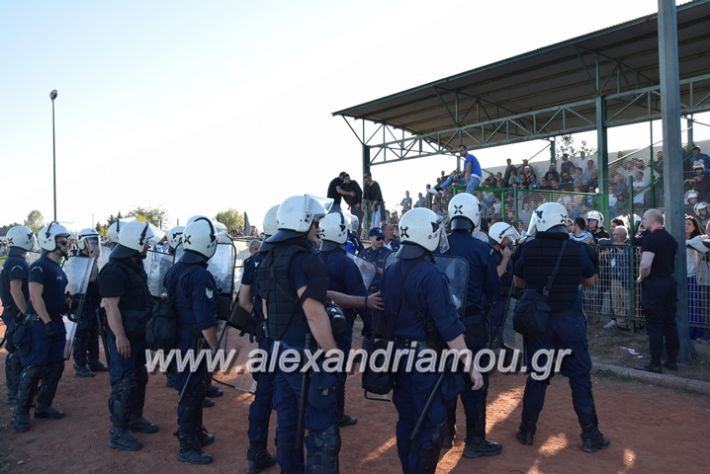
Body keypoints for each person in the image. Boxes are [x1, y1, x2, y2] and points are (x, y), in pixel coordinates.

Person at [380, 207, 484, 473]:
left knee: (407, 422)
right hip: (425, 363)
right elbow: (449, 328)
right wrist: (471, 366)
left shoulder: (391, 269)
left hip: (396, 359)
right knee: (430, 425)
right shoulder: (432, 274)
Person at [253, 194, 340, 473]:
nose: (318, 228)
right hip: (306, 355)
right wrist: (333, 353)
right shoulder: (304, 260)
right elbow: (315, 313)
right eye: (315, 221)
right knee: (321, 430)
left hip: (280, 352)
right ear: (303, 222)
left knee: (288, 424)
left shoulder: (268, 256)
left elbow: (266, 309)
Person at [513, 202, 609, 453]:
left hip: (539, 324)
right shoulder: (577, 249)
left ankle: (526, 431)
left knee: (537, 377)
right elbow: (590, 281)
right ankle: (590, 435)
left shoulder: (528, 248)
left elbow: (519, 283)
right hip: (570, 322)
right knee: (579, 379)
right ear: (563, 221)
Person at [443, 194, 501, 458]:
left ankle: (444, 435)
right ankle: (475, 440)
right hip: (473, 326)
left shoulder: (437, 246)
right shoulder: (483, 249)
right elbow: (493, 289)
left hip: (443, 327)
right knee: (475, 384)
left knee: (444, 381)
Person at [99, 221, 159, 451]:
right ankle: (118, 432)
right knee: (124, 383)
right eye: (146, 242)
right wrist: (120, 337)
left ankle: (134, 418)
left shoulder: (134, 265)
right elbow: (111, 307)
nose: (149, 246)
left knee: (139, 378)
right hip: (123, 337)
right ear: (137, 243)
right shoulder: (114, 270)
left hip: (138, 334)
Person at [164, 217, 220, 464]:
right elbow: (205, 320)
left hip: (176, 337)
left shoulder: (175, 268)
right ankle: (187, 445)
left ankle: (196, 432)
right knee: (190, 393)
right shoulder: (199, 275)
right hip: (192, 342)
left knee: (194, 391)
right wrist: (216, 350)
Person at [11, 222, 71, 432]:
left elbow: (56, 296)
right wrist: (47, 323)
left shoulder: (57, 268)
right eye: (62, 241)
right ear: (49, 241)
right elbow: (35, 298)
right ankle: (20, 412)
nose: (66, 244)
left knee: (56, 365)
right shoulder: (39, 266)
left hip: (54, 322)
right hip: (39, 325)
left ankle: (44, 405)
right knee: (34, 368)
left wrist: (69, 301)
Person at [318, 211, 370, 428]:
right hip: (341, 325)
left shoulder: (312, 257)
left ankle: (318, 407)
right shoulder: (346, 263)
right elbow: (362, 298)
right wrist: (371, 325)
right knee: (337, 368)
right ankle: (336, 413)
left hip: (315, 324)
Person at [238, 205, 279, 473]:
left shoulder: (254, 260)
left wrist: (259, 321)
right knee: (290, 397)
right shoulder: (294, 259)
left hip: (265, 337)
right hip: (290, 341)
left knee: (262, 395)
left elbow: (242, 300)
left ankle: (256, 453)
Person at [637, 209, 679, 373]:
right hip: (669, 284)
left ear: (653, 220)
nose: (643, 221)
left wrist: (641, 277)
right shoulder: (671, 239)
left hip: (654, 286)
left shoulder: (651, 239)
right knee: (670, 324)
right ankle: (672, 361)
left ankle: (655, 363)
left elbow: (646, 264)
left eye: (645, 218)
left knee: (654, 325)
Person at [1, 226, 36, 406]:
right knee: (17, 352)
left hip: (13, 313)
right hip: (17, 315)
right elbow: (16, 291)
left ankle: (18, 390)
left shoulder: (14, 260)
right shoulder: (17, 262)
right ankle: (15, 392)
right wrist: (26, 313)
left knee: (18, 350)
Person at [72, 228, 107, 377]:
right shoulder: (78, 260)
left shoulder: (91, 260)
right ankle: (80, 364)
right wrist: (93, 259)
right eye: (90, 242)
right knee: (82, 335)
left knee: (93, 334)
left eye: (95, 241)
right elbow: (90, 279)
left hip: (93, 303)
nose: (94, 245)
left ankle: (93, 360)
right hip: (82, 304)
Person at [487, 222, 520, 348]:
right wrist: (506, 258)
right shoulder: (491, 254)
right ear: (499, 238)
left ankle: (502, 348)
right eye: (506, 237)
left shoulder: (502, 251)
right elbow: (498, 273)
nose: (509, 240)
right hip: (497, 299)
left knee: (504, 328)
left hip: (505, 296)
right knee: (494, 327)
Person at [360, 228, 392, 294]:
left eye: (382, 238)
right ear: (371, 238)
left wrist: (376, 269)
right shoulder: (364, 253)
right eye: (378, 238)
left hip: (381, 291)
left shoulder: (389, 254)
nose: (381, 241)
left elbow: (392, 274)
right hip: (365, 289)